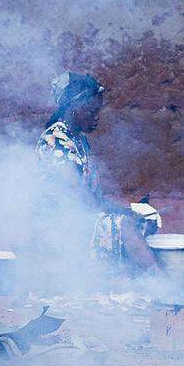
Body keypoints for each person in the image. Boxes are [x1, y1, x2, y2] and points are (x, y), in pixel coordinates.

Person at [34, 71, 157, 278]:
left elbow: (92, 198)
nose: (96, 117)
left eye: (98, 111)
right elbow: (79, 199)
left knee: (141, 224)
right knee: (125, 226)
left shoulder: (78, 140)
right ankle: (162, 286)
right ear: (73, 108)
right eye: (91, 111)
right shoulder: (56, 141)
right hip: (59, 226)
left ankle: (136, 282)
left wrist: (131, 211)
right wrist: (125, 214)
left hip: (79, 219)